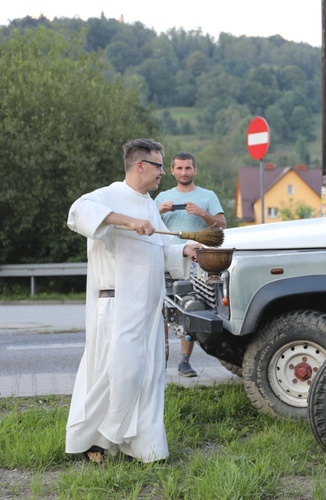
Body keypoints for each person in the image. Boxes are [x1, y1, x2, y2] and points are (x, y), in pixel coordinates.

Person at [65, 138, 201, 464]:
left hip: (148, 309)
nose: (162, 175)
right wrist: (127, 221)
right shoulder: (108, 195)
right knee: (114, 375)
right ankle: (95, 441)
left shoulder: (149, 203)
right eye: (158, 166)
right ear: (140, 165)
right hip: (116, 306)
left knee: (148, 376)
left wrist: (183, 250)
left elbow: (158, 247)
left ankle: (144, 448)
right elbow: (77, 213)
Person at [154, 152, 226, 378]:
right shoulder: (162, 197)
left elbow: (222, 226)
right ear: (172, 171)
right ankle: (160, 360)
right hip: (166, 259)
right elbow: (147, 226)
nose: (184, 172)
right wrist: (159, 211)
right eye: (179, 168)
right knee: (162, 310)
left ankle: (184, 362)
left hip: (195, 261)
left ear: (195, 170)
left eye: (188, 168)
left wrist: (202, 213)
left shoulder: (207, 196)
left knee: (190, 308)